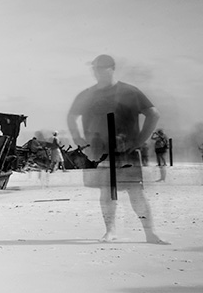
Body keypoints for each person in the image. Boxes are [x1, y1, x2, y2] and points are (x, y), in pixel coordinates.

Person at [66, 54, 167, 244]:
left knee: (136, 191)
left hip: (125, 150)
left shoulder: (129, 92)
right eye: (96, 68)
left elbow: (154, 114)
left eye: (102, 67)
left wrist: (138, 141)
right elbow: (71, 117)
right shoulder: (87, 94)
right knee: (106, 190)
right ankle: (110, 231)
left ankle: (150, 233)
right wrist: (80, 141)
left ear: (112, 68)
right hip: (99, 151)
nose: (98, 71)